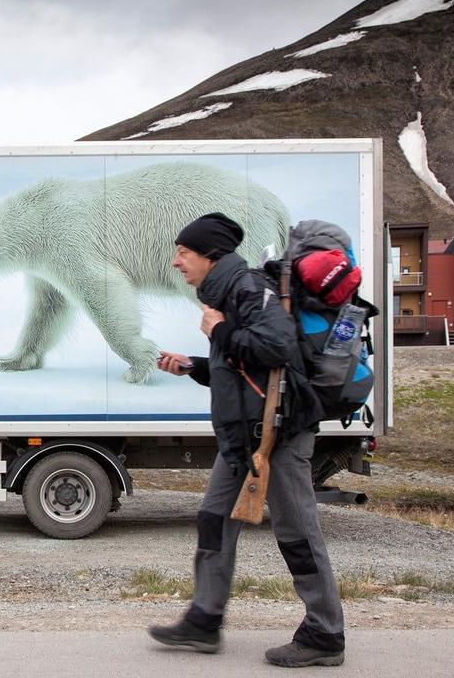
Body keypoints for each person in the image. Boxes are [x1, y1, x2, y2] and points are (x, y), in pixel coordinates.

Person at [147, 212, 346, 668]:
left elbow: (277, 348)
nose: (176, 262)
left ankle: (325, 632)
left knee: (297, 534)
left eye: (183, 252)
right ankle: (203, 621)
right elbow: (243, 369)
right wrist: (194, 365)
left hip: (280, 436)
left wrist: (218, 331)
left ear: (211, 256)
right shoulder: (224, 293)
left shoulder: (248, 289)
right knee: (214, 521)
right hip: (244, 440)